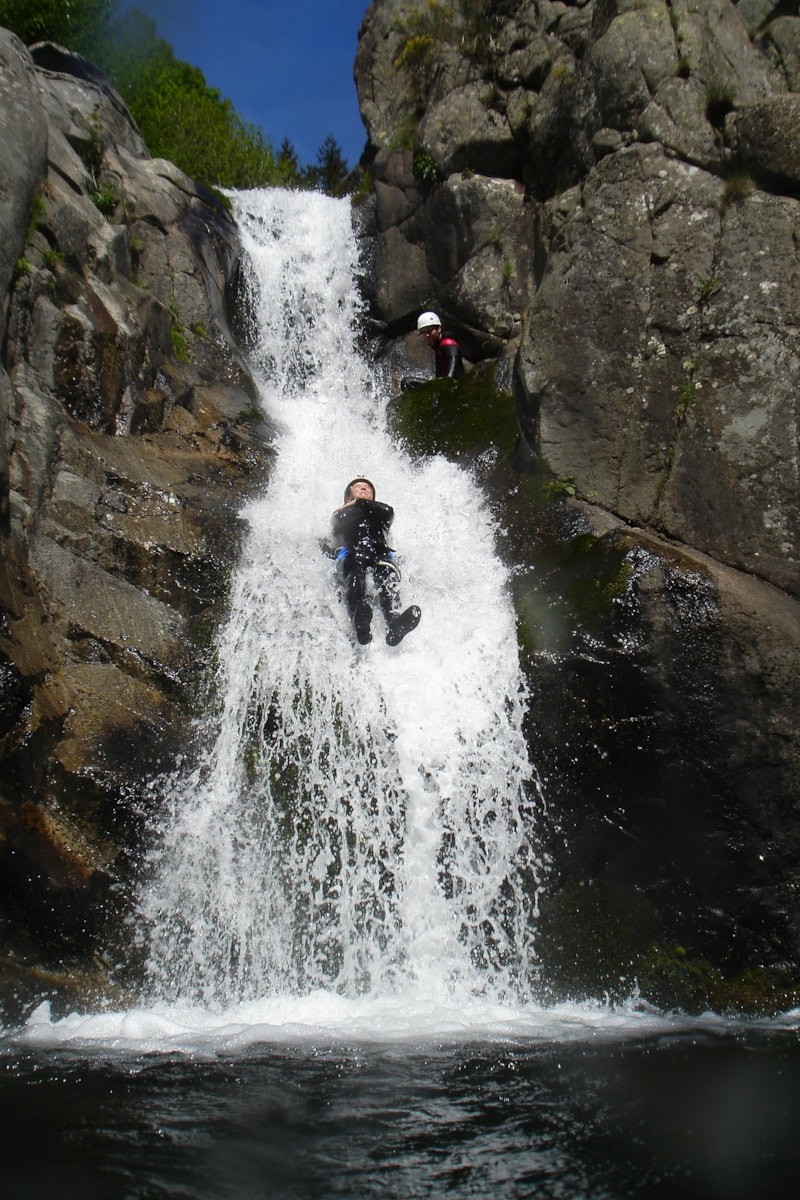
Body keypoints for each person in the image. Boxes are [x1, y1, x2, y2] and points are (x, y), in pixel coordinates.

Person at [329, 478, 421, 646]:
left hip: (380, 553)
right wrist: (355, 505)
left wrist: (360, 503)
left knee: (387, 574)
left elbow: (388, 511)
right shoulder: (341, 514)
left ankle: (393, 622)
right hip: (352, 552)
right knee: (354, 576)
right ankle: (360, 622)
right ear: (348, 497)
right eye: (358, 487)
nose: (364, 488)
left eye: (368, 488)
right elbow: (338, 520)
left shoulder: (382, 513)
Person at [416, 310, 464, 379]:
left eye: (429, 331)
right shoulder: (438, 345)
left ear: (438, 329)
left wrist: (447, 382)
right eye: (423, 332)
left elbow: (453, 362)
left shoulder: (448, 343)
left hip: (452, 383)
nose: (427, 335)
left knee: (407, 382)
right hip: (442, 382)